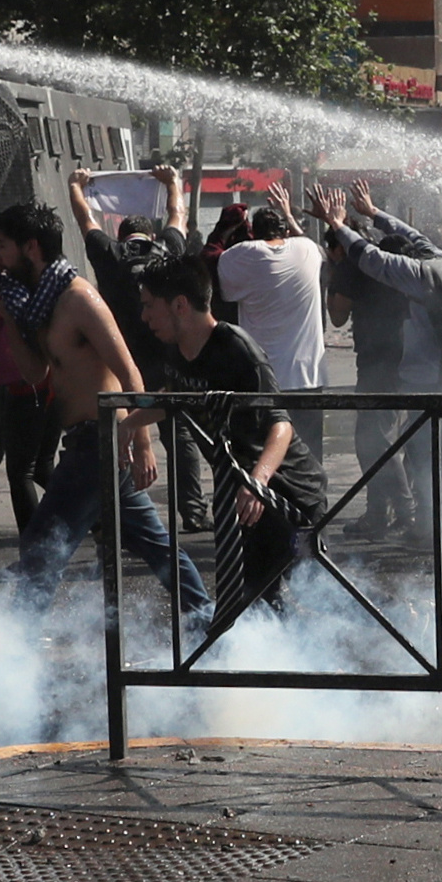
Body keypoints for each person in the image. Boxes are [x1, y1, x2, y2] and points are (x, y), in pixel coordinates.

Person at [0, 201, 210, 625]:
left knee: (43, 543)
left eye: (1, 246)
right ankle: (206, 618)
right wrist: (7, 318)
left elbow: (129, 370)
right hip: (87, 440)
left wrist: (141, 441)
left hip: (102, 438)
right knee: (155, 545)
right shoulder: (39, 303)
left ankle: (15, 648)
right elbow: (36, 373)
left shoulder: (78, 298)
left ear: (30, 247)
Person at [133, 255, 326, 622]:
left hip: (290, 495)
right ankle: (293, 666)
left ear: (180, 305)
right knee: (262, 600)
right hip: (246, 502)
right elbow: (174, 399)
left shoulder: (237, 349)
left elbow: (280, 424)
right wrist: (126, 424)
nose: (144, 317)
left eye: (148, 306)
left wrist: (257, 483)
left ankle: (401, 624)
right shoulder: (176, 348)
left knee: (314, 589)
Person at [316, 180, 442, 546]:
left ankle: (439, 526)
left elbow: (372, 259)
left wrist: (338, 223)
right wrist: (374, 214)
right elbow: (414, 235)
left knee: (427, 456)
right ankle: (439, 519)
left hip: (430, 377)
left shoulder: (416, 275)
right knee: (435, 454)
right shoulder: (441, 260)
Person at [71, 164, 206, 531]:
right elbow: (178, 214)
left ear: (122, 236)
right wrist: (173, 182)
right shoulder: (169, 252)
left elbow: (86, 221)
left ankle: (111, 519)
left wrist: (76, 186)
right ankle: (192, 511)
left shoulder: (111, 256)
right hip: (169, 357)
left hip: (120, 361)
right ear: (150, 234)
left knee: (120, 434)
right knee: (178, 433)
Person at [220, 183, 329, 454]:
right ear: (286, 231)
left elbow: (223, 286)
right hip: (307, 377)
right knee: (310, 457)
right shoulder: (307, 250)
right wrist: (290, 215)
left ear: (253, 233)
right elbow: (318, 251)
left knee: (264, 457)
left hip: (263, 379)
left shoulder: (240, 256)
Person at [326, 212, 416, 536]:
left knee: (373, 440)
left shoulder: (351, 266)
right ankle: (379, 512)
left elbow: (337, 316)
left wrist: (332, 275)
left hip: (378, 361)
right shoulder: (385, 258)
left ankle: (405, 511)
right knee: (383, 438)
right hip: (403, 358)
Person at [0, 222, 58, 534]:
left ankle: (35, 543)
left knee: (23, 471)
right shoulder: (10, 280)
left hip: (21, 382)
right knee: (40, 468)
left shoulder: (11, 284)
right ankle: (96, 520)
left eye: (0, 247)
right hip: (15, 381)